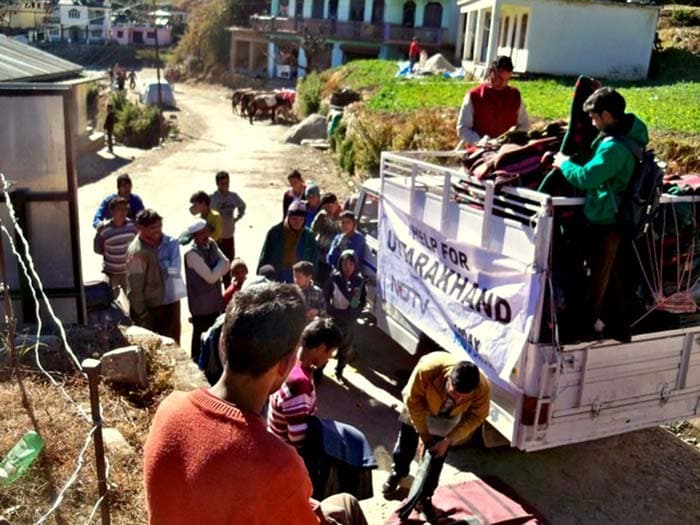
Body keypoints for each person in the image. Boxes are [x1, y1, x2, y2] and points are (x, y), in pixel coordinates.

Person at [143, 283, 368, 525]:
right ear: (285, 365)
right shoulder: (279, 465)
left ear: (222, 343)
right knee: (347, 505)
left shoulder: (170, 408)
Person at [553, 87, 648, 341]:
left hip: (606, 220)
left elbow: (587, 177)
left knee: (597, 278)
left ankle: (582, 330)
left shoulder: (614, 148)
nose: (593, 123)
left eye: (594, 117)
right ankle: (619, 328)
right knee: (610, 274)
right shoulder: (631, 136)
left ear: (606, 115)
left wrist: (563, 163)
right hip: (616, 217)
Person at [382, 353, 490, 521]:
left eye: (464, 397)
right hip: (421, 406)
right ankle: (398, 473)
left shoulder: (482, 387)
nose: (459, 399)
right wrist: (423, 434)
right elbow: (413, 401)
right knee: (407, 441)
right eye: (455, 394)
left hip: (449, 417)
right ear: (448, 380)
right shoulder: (428, 369)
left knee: (436, 457)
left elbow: (476, 417)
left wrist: (449, 440)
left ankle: (425, 497)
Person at [268, 317, 343, 495]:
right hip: (285, 455)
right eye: (330, 353)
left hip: (274, 440)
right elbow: (297, 438)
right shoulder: (300, 383)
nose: (328, 359)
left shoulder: (291, 361)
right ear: (322, 348)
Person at [126, 209, 180, 341]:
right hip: (153, 310)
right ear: (140, 228)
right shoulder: (137, 253)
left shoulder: (163, 243)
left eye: (159, 225)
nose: (158, 230)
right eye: (152, 227)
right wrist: (143, 314)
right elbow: (135, 288)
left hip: (169, 303)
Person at [183, 219, 229, 363]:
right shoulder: (192, 254)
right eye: (201, 233)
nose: (205, 235)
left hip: (215, 303)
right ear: (194, 236)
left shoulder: (211, 245)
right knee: (200, 337)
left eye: (206, 231)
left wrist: (221, 266)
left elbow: (227, 264)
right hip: (201, 307)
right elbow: (211, 277)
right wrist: (220, 266)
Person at [456, 55, 530, 146]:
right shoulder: (473, 96)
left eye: (507, 80)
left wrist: (512, 140)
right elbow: (463, 128)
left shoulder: (515, 96)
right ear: (491, 71)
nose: (503, 83)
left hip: (507, 150)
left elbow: (524, 125)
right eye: (500, 78)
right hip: (480, 150)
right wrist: (479, 141)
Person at [325, 250, 366, 379]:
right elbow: (326, 295)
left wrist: (356, 311)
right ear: (340, 264)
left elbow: (362, 300)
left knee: (345, 348)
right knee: (328, 345)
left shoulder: (359, 281)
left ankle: (339, 372)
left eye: (350, 264)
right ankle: (320, 369)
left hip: (350, 321)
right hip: (335, 317)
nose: (347, 267)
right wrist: (330, 309)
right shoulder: (334, 278)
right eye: (344, 264)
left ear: (355, 265)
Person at [258, 201, 319, 283]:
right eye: (294, 219)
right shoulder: (275, 233)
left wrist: (311, 278)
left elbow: (314, 259)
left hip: (300, 280)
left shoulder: (309, 236)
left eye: (301, 219)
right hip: (277, 278)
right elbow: (264, 256)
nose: (297, 222)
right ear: (288, 217)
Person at [93, 197, 138, 300]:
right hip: (111, 274)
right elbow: (98, 249)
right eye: (119, 209)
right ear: (112, 211)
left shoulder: (133, 226)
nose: (123, 212)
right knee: (110, 302)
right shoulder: (104, 230)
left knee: (134, 301)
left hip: (129, 274)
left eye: (125, 209)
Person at [209, 171, 247, 287]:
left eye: (226, 183)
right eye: (222, 183)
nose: (225, 186)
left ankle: (228, 290)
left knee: (228, 266)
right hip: (216, 238)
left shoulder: (233, 197)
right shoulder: (212, 198)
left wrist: (237, 218)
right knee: (215, 267)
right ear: (217, 184)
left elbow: (242, 206)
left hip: (229, 236)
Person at [311, 192, 342, 287]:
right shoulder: (322, 216)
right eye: (325, 207)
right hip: (320, 254)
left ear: (336, 204)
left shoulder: (342, 217)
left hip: (333, 256)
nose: (328, 209)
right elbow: (313, 232)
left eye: (330, 206)